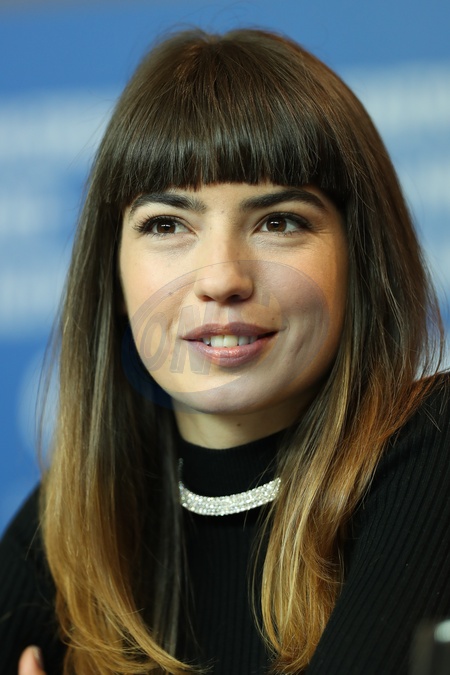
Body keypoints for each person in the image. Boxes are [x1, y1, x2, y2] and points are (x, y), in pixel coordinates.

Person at [0, 27, 449, 675]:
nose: (222, 278)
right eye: (167, 225)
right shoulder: (78, 515)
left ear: (360, 258)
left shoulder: (436, 444)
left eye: (279, 221)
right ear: (113, 277)